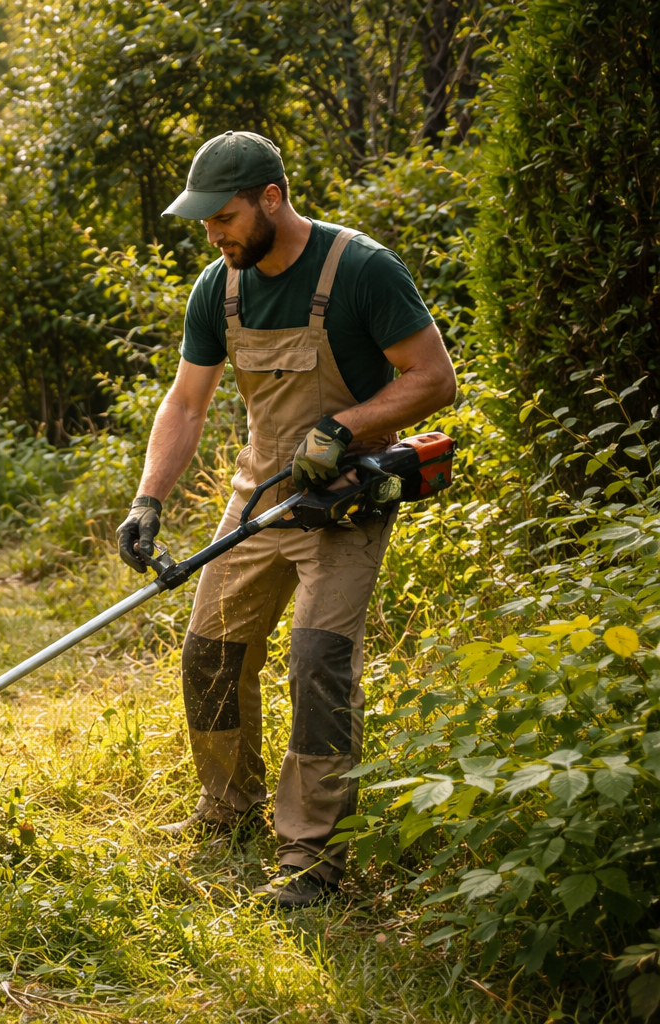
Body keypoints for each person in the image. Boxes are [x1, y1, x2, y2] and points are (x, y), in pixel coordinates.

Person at [115, 131, 456, 907]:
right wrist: (149, 499)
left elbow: (435, 378)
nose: (213, 233)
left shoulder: (360, 269)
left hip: (345, 502)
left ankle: (311, 858)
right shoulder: (220, 285)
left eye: (225, 216)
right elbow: (187, 401)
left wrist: (345, 426)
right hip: (261, 493)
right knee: (210, 655)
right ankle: (228, 810)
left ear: (272, 198)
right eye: (204, 222)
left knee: (318, 666)